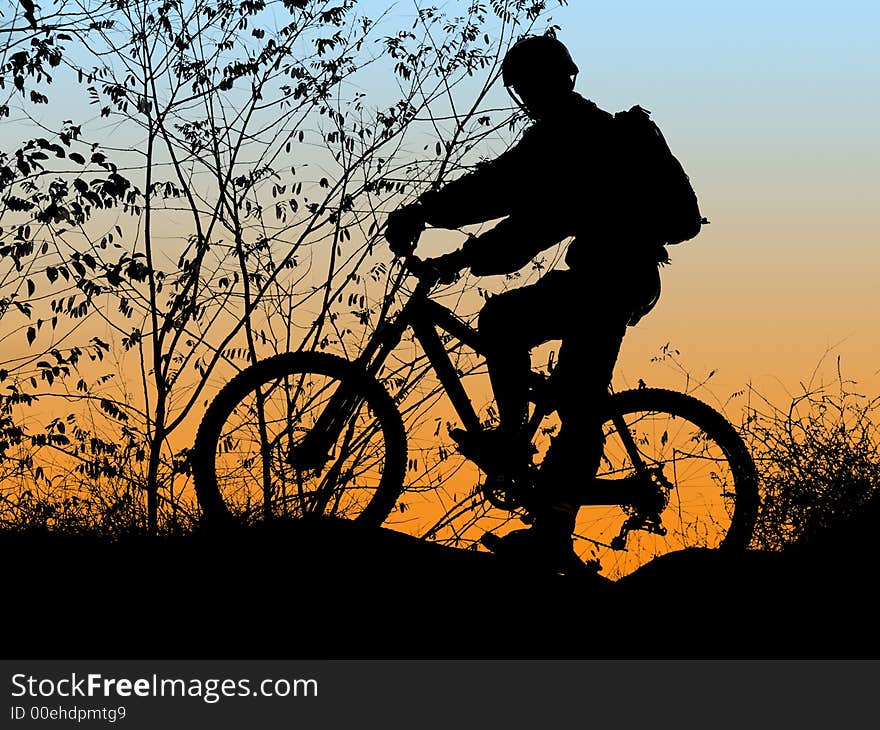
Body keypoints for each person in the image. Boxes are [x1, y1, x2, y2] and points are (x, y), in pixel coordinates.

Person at [384, 33, 665, 571]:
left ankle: (549, 520)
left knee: (571, 391)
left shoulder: (573, 135)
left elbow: (504, 194)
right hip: (606, 276)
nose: (527, 97)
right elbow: (528, 215)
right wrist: (463, 253)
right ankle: (518, 441)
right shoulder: (571, 133)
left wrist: (428, 217)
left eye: (527, 87)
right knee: (512, 328)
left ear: (542, 84)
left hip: (612, 280)